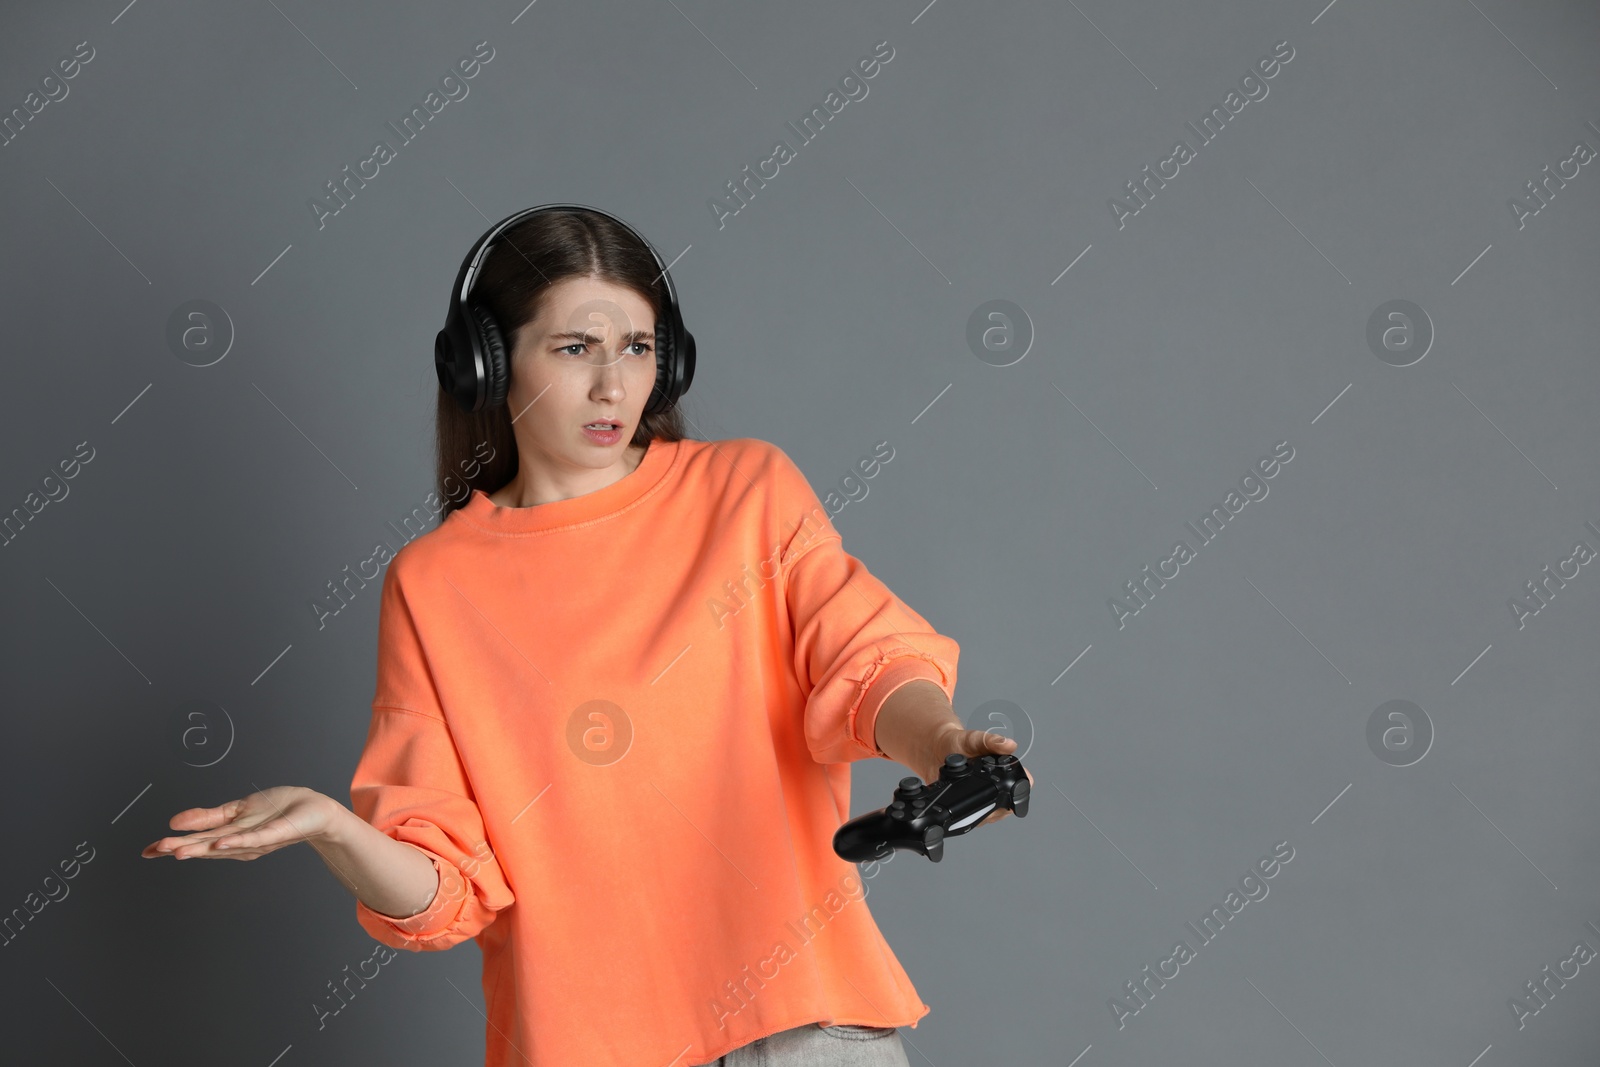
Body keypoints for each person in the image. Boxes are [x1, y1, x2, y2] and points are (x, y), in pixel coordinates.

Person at [141, 206, 1029, 1066]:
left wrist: (944, 743)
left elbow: (865, 661)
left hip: (805, 1033)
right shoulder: (435, 586)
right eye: (575, 350)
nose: (614, 386)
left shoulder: (747, 492)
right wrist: (337, 829)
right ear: (487, 365)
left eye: (637, 349)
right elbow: (443, 889)